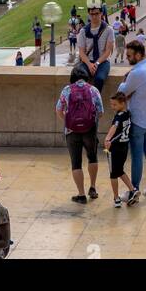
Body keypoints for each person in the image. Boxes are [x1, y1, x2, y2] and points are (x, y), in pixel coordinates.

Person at [56, 63, 103, 204]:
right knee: (92, 157)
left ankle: (81, 194)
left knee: (76, 163)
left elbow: (59, 109)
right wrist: (90, 122)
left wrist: (68, 122)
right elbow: (100, 112)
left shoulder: (67, 90)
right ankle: (93, 188)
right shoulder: (93, 90)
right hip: (90, 129)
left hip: (71, 131)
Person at [118, 39, 146, 202]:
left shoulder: (136, 73)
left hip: (138, 120)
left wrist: (124, 80)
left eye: (129, 55)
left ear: (139, 54)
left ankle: (134, 190)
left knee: (136, 156)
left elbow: (121, 93)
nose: (127, 58)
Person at [103, 91, 136, 208]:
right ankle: (133, 189)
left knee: (113, 174)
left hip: (115, 148)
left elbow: (114, 126)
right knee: (120, 170)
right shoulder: (128, 114)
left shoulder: (119, 116)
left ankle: (116, 198)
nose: (112, 107)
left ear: (122, 103)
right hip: (124, 147)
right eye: (111, 105)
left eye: (115, 105)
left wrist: (107, 139)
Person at [77, 6, 115, 100]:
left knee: (100, 79)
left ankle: (94, 102)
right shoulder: (83, 31)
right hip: (87, 61)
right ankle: (81, 101)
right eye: (92, 14)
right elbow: (81, 52)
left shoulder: (109, 30)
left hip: (103, 61)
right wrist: (90, 64)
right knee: (79, 77)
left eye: (97, 14)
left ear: (101, 14)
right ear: (89, 14)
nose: (94, 16)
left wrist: (97, 63)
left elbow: (108, 51)